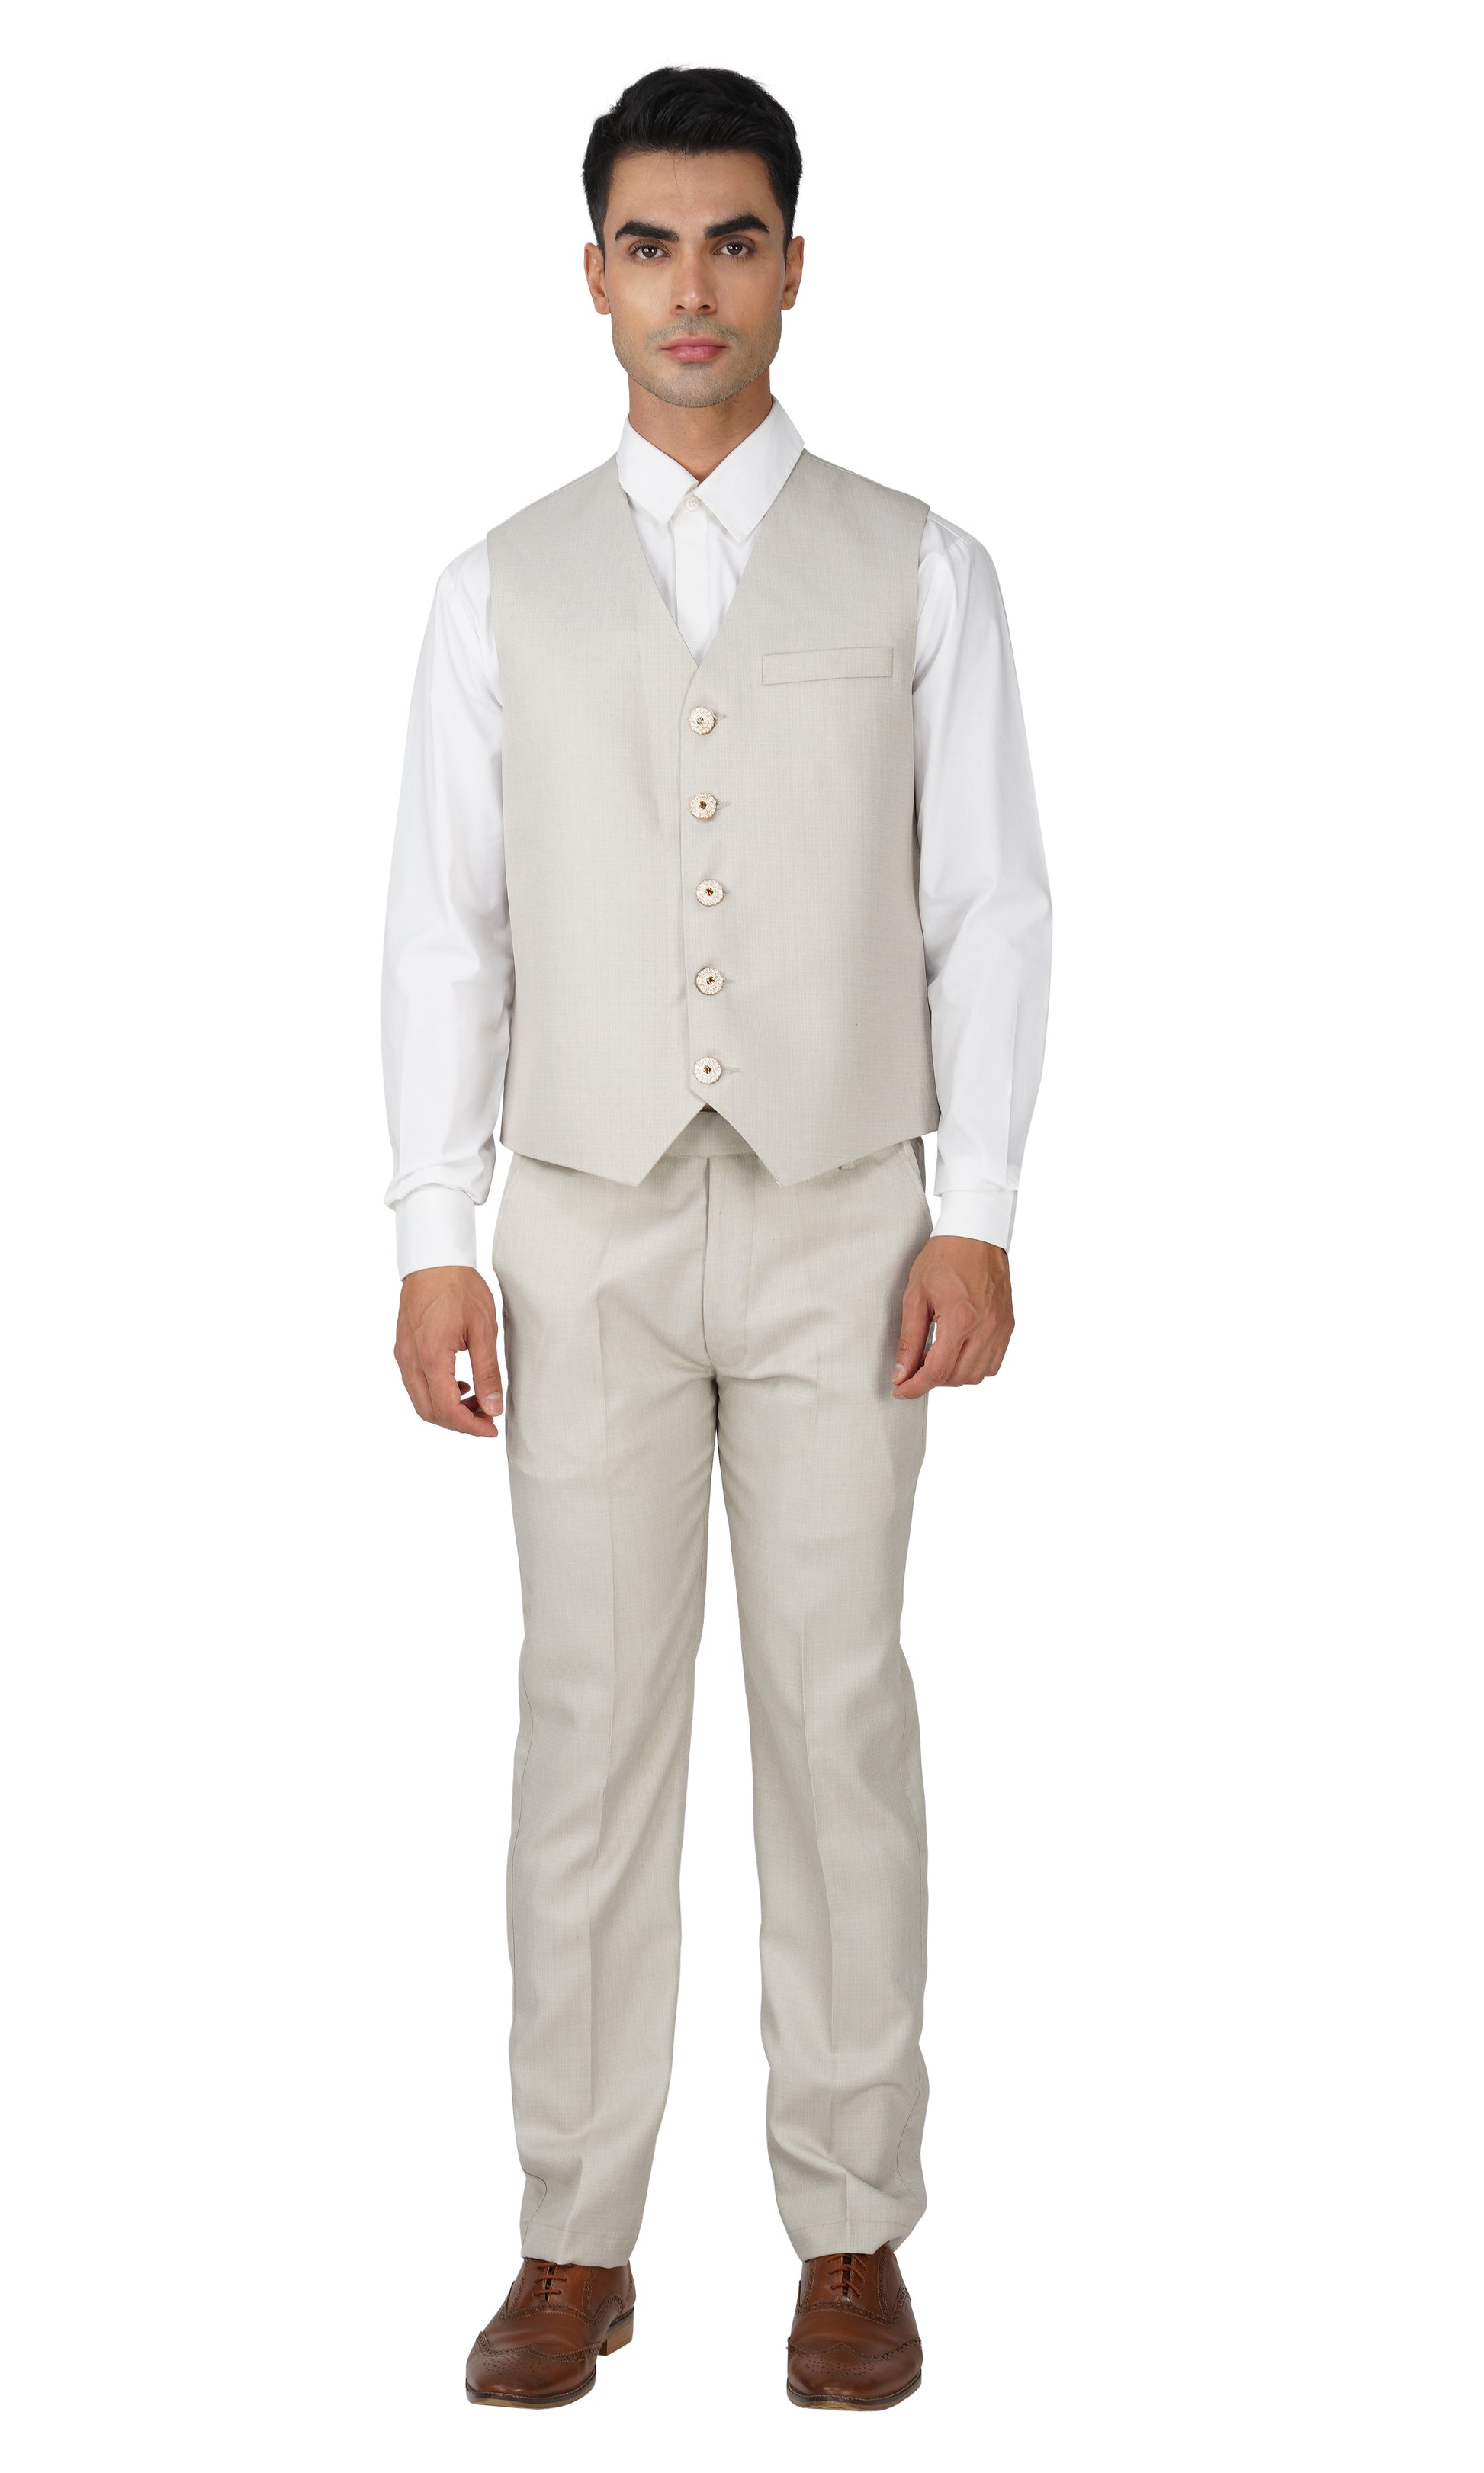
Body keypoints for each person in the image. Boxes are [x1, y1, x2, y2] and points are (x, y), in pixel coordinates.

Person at [381, 62, 1052, 2412]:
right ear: (593, 276)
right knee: (584, 1720)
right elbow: (443, 929)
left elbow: (986, 904)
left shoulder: (918, 567)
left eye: (734, 239)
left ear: (792, 265)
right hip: (575, 1223)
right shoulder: (497, 585)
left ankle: (851, 2228)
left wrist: (976, 1207)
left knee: (837, 1710)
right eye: (651, 243)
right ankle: (573, 2231)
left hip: (842, 1213)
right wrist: (430, 1226)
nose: (694, 286)